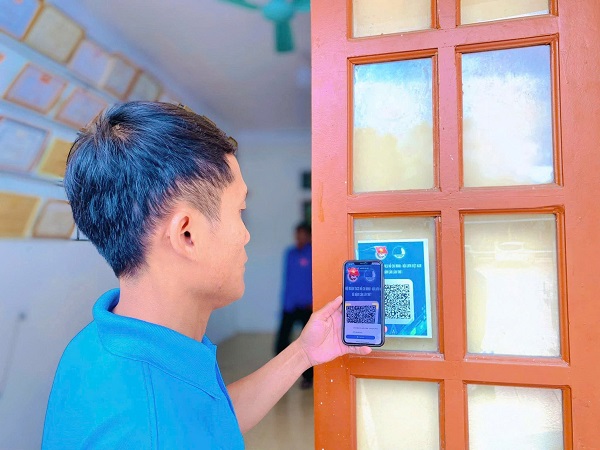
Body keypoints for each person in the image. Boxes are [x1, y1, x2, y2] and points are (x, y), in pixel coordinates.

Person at [41, 102, 371, 449]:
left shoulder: (98, 344)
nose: (246, 235)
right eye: (240, 211)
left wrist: (303, 352)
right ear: (187, 234)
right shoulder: (145, 435)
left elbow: (208, 422)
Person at [275, 222, 314, 389]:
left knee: (308, 344)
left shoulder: (313, 253)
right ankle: (280, 375)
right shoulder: (289, 254)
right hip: (290, 305)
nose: (299, 237)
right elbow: (288, 280)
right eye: (297, 234)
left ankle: (308, 377)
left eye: (302, 234)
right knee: (281, 342)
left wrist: (313, 301)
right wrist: (284, 302)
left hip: (307, 306)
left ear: (309, 236)